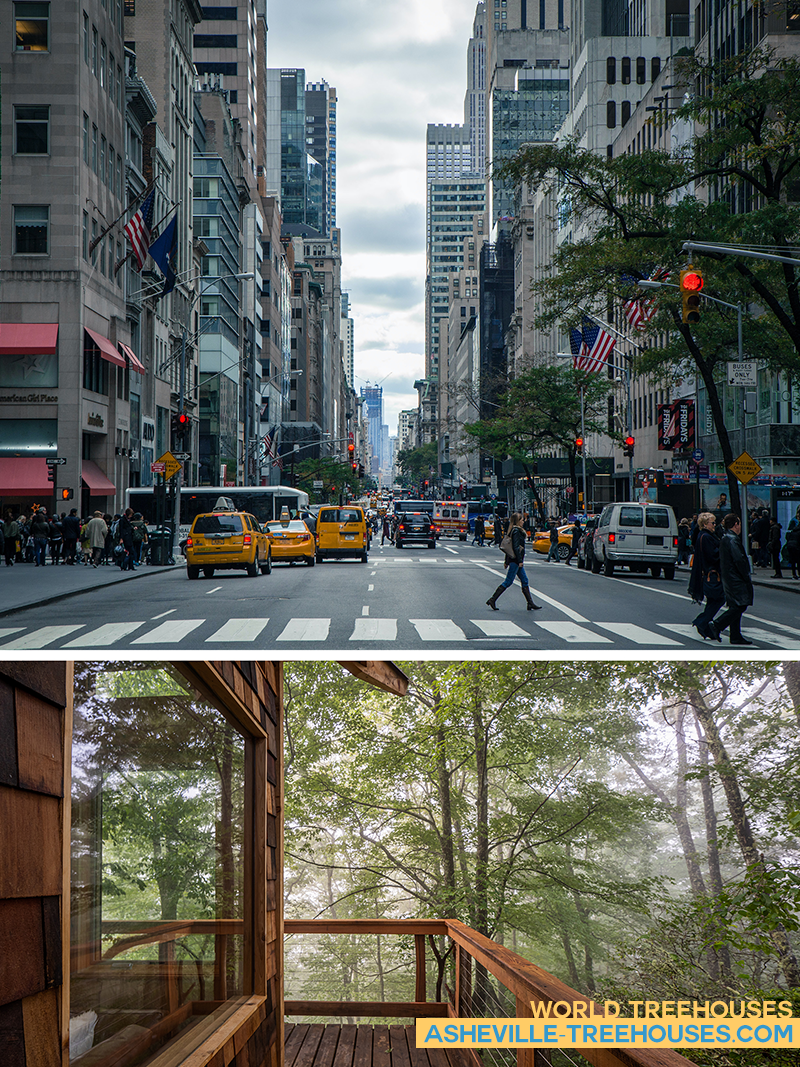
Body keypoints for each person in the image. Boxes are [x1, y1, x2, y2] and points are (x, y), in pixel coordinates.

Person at [709, 513, 754, 646]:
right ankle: (717, 625)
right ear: (735, 525)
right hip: (736, 578)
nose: (740, 527)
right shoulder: (732, 539)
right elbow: (739, 559)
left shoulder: (725, 538)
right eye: (739, 524)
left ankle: (735, 635)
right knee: (740, 605)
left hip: (729, 577)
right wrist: (745, 574)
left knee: (736, 605)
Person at [486, 512, 542, 611]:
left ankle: (530, 603)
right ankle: (492, 599)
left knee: (524, 580)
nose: (523, 522)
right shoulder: (516, 531)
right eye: (522, 520)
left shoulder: (513, 530)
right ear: (517, 521)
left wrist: (506, 561)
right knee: (508, 581)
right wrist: (519, 561)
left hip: (514, 560)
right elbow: (515, 547)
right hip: (516, 561)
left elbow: (509, 548)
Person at [688, 513, 724, 640]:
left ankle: (706, 627)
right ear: (704, 524)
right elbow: (713, 556)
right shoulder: (706, 537)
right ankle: (702, 622)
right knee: (719, 599)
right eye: (712, 523)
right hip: (712, 574)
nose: (714, 525)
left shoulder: (703, 536)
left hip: (708, 574)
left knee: (713, 601)